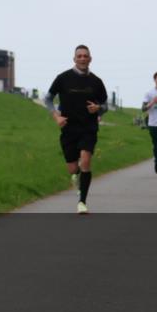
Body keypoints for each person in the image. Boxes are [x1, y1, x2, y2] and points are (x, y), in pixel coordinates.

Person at [43, 45, 109, 214]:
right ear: (74, 59)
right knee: (73, 168)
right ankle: (76, 176)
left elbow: (105, 105)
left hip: (88, 127)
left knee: (86, 161)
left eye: (85, 56)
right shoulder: (63, 78)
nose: (82, 58)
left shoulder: (96, 82)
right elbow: (48, 98)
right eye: (79, 56)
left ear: (90, 59)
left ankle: (82, 202)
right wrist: (56, 116)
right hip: (69, 127)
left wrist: (98, 109)